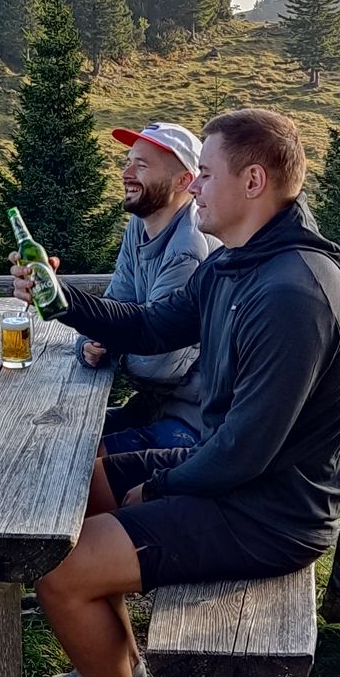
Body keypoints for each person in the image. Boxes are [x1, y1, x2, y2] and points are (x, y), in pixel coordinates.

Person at [13, 108, 340, 677]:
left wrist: (157, 487)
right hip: (240, 479)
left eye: (205, 174)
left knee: (60, 566)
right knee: (87, 469)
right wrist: (58, 298)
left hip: (271, 513)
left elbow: (244, 450)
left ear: (254, 180)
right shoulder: (237, 263)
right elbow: (151, 326)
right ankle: (119, 666)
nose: (194, 187)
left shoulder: (293, 293)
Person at [81, 123, 215, 456]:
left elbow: (156, 364)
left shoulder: (189, 247)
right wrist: (89, 340)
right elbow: (113, 305)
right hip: (155, 405)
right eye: (129, 162)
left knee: (80, 462)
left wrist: (107, 343)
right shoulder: (138, 229)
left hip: (192, 420)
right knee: (66, 441)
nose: (126, 173)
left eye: (141, 166)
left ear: (184, 180)